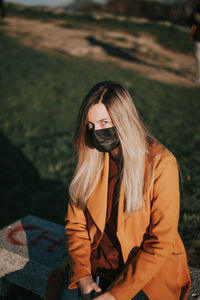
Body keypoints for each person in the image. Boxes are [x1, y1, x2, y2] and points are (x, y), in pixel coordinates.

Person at [45, 81, 191, 300]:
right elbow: (76, 225)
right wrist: (82, 276)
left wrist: (115, 295)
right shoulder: (90, 157)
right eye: (91, 125)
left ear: (124, 121)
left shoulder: (161, 163)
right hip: (95, 266)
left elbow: (160, 242)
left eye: (104, 122)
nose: (96, 132)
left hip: (144, 274)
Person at [189, 4, 200, 83]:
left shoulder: (196, 16)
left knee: (199, 58)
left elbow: (192, 25)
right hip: (197, 38)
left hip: (198, 38)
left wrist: (191, 35)